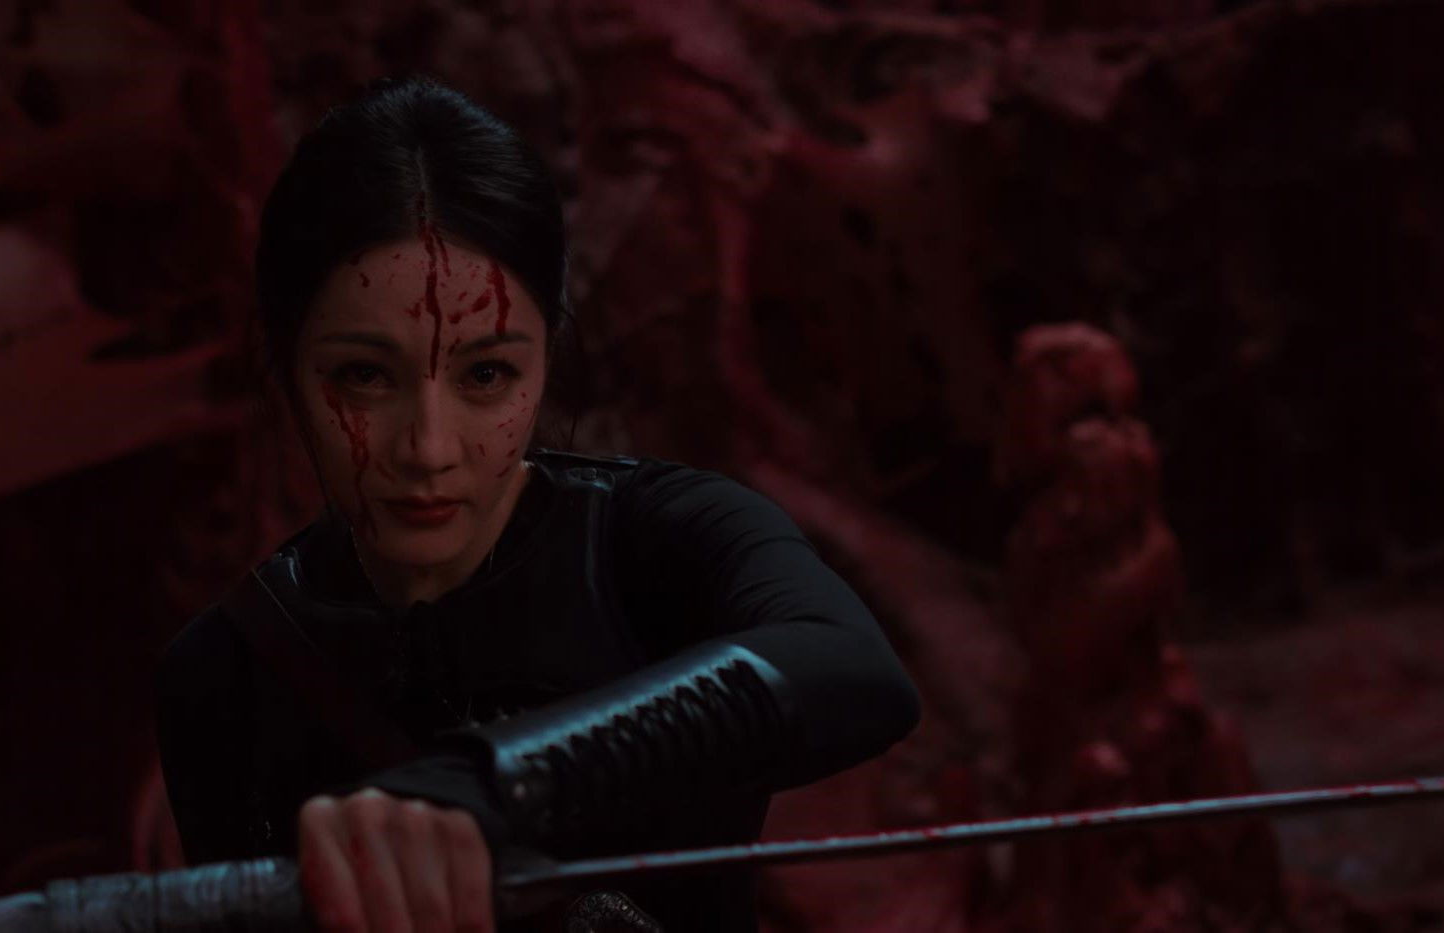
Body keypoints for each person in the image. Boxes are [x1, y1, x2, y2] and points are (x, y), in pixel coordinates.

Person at [154, 75, 921, 932]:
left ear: (546, 359)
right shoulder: (223, 674)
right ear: (287, 369)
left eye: (487, 374)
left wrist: (488, 784)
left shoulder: (662, 537)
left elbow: (850, 668)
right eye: (364, 376)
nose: (429, 448)